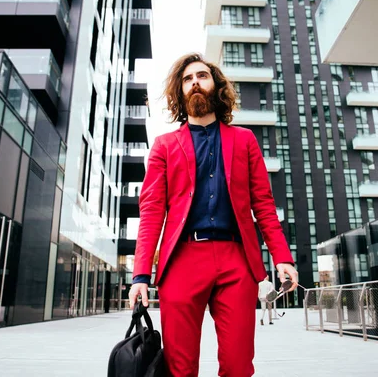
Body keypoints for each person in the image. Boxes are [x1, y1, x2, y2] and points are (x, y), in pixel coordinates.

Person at [128, 53, 298, 377]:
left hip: (236, 260)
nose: (195, 82)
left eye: (202, 76)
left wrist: (283, 258)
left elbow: (263, 204)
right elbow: (151, 213)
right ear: (180, 91)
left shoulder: (245, 141)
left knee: (238, 366)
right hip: (181, 260)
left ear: (216, 87)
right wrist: (139, 276)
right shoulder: (164, 146)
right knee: (180, 369)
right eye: (188, 78)